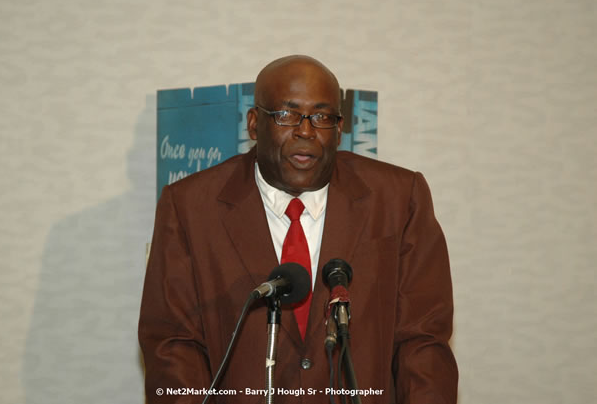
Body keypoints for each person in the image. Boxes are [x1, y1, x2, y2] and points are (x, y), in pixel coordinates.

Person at [139, 55, 458, 404]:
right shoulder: (189, 207)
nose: (306, 131)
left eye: (322, 117)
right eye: (287, 115)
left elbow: (423, 342)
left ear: (339, 129)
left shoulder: (398, 199)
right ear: (253, 123)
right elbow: (173, 346)